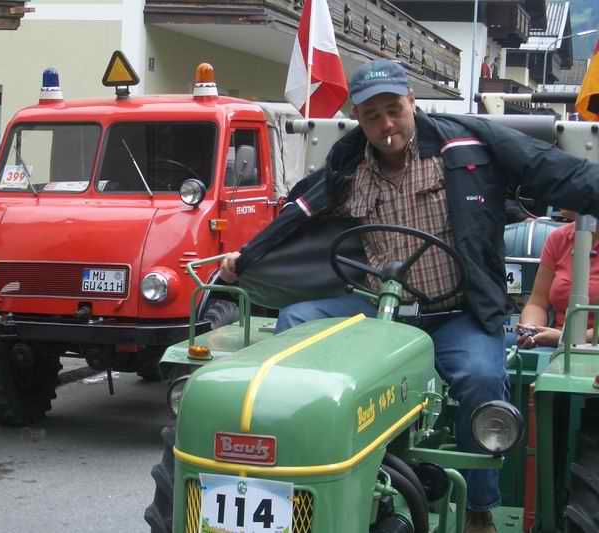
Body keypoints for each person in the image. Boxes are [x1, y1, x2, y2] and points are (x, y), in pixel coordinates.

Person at [220, 59, 599, 533]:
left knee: (482, 378)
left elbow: (550, 170)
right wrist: (246, 257)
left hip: (456, 311)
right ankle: (300, 468)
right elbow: (297, 212)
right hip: (379, 308)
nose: (386, 125)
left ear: (412, 103)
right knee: (297, 321)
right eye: (372, 115)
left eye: (394, 110)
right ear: (358, 119)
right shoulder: (346, 165)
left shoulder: (465, 149)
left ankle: (479, 508)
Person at [516, 210, 599, 349]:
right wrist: (531, 329)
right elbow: (537, 302)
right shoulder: (559, 238)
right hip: (556, 347)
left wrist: (564, 338)